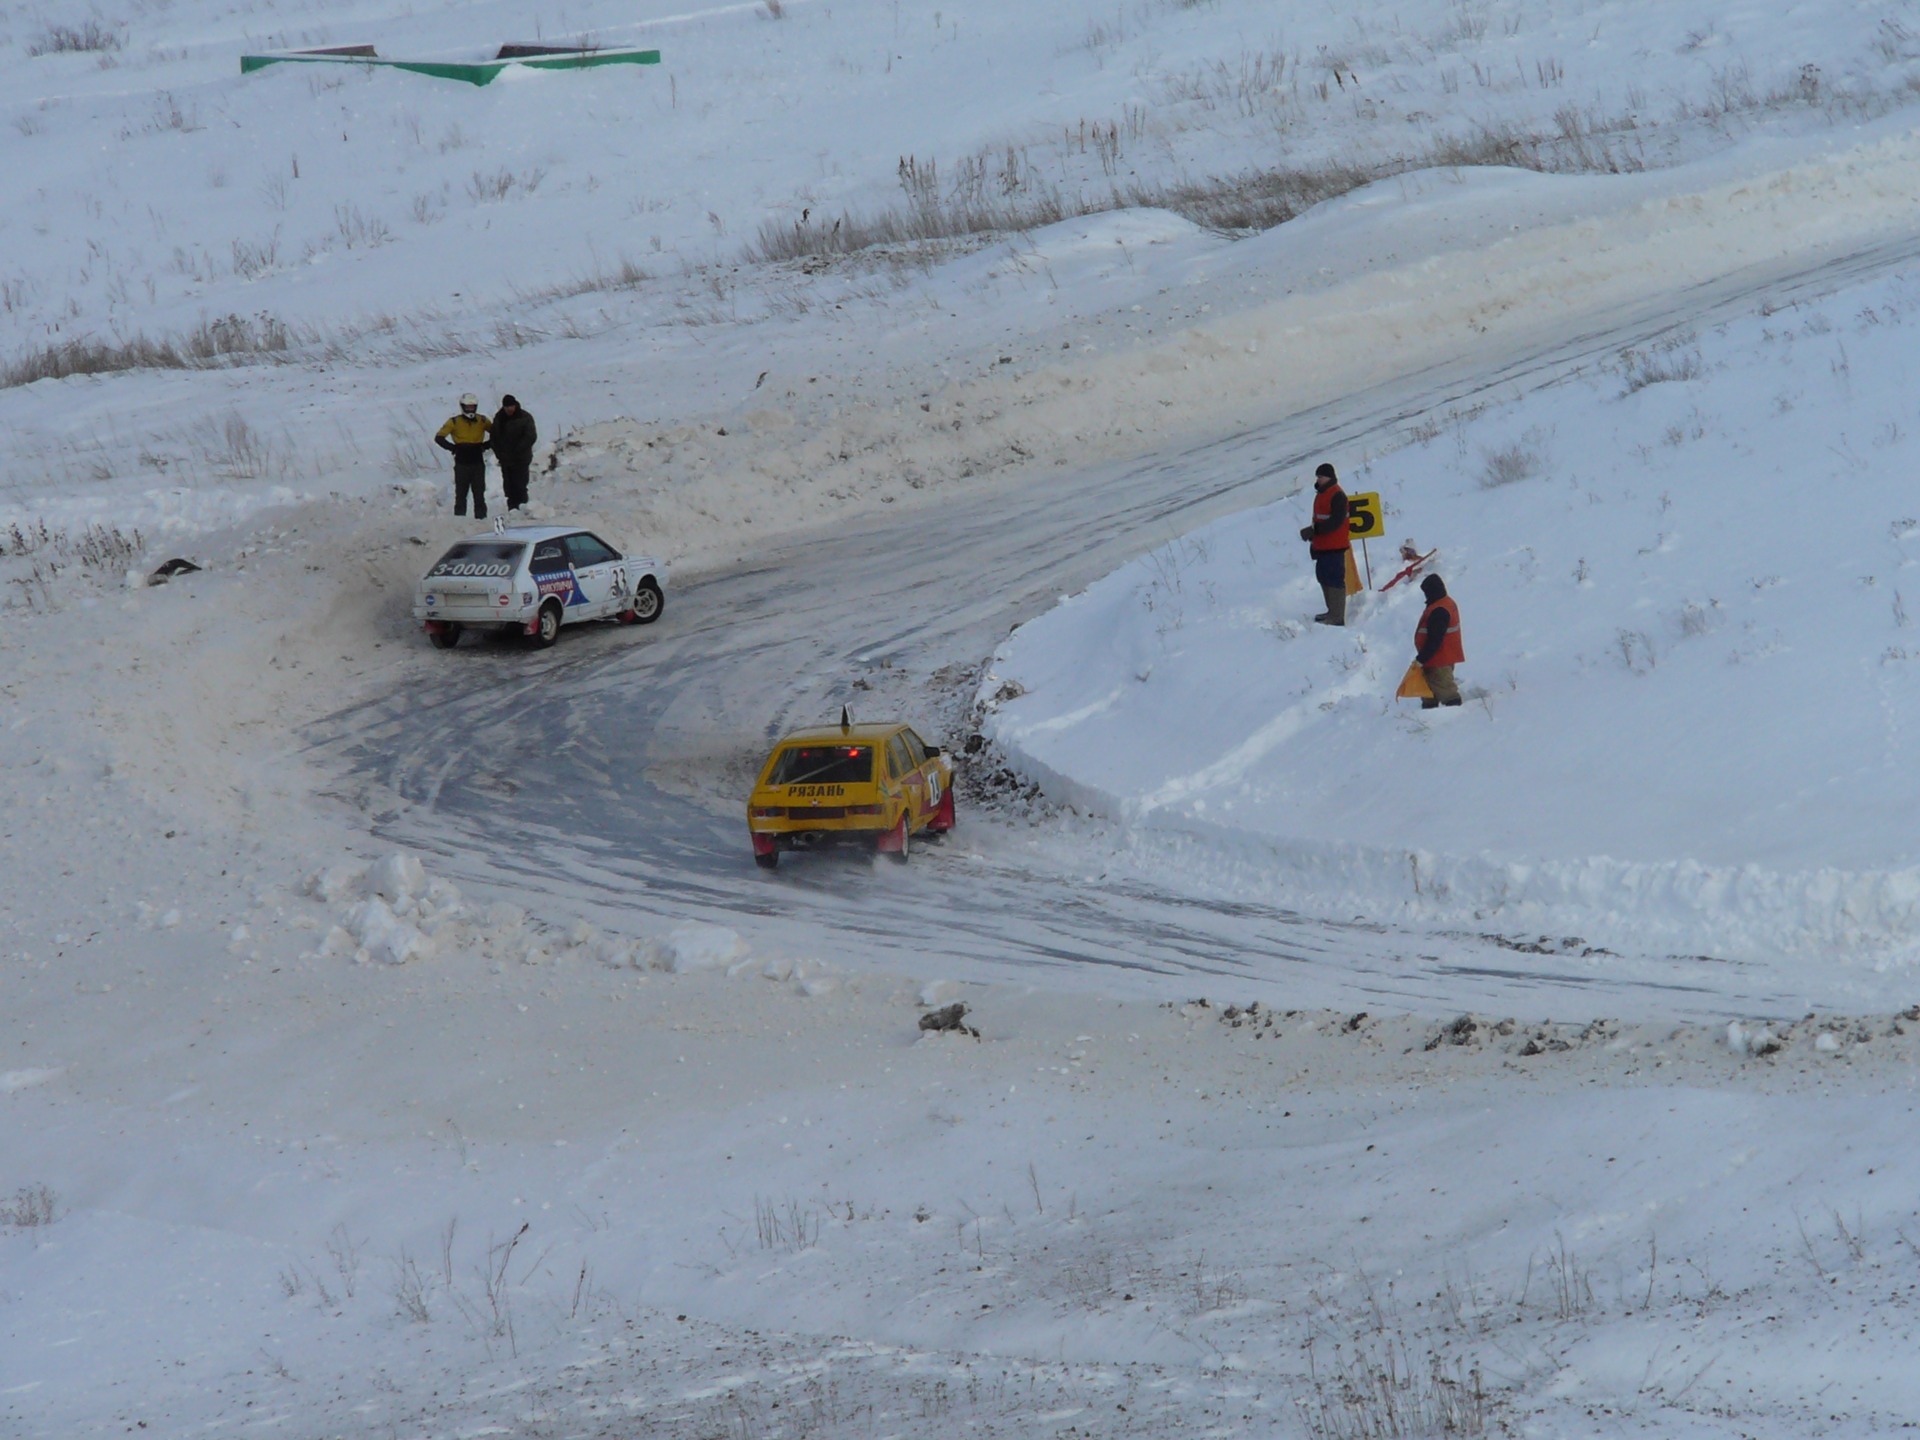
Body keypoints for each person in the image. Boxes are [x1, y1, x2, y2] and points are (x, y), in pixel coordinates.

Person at [1297, 461, 1351, 625]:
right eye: (1318, 477)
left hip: (1334, 546)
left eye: (1321, 477)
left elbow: (1336, 522)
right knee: (1323, 577)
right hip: (1323, 545)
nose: (1319, 479)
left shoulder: (1337, 495)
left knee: (1334, 579)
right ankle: (1331, 611)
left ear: (1330, 477)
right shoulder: (1322, 493)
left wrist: (1314, 530)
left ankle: (1337, 616)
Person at [434, 394, 492, 519]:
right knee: (461, 494)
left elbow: (497, 434)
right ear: (462, 407)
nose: (470, 410)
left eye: (473, 407)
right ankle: (459, 521)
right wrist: (453, 448)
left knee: (479, 494)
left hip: (477, 461)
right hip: (462, 462)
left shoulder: (482, 420)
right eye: (468, 407)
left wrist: (486, 445)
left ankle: (481, 520)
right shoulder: (454, 421)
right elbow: (439, 437)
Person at [1414, 574, 1465, 708]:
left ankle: (1456, 720)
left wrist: (1421, 658)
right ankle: (1429, 719)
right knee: (1429, 693)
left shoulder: (1439, 610)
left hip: (1438, 660)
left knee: (1448, 694)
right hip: (1437, 659)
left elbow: (1435, 640)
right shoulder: (1445, 602)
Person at [491, 393, 537, 512]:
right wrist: (499, 453)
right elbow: (494, 437)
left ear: (515, 405)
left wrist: (517, 449)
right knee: (509, 487)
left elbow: (531, 436)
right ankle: (512, 510)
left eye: (511, 406)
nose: (510, 409)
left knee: (520, 485)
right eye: (507, 407)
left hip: (521, 458)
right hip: (506, 460)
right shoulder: (499, 418)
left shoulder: (524, 417)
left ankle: (523, 509)